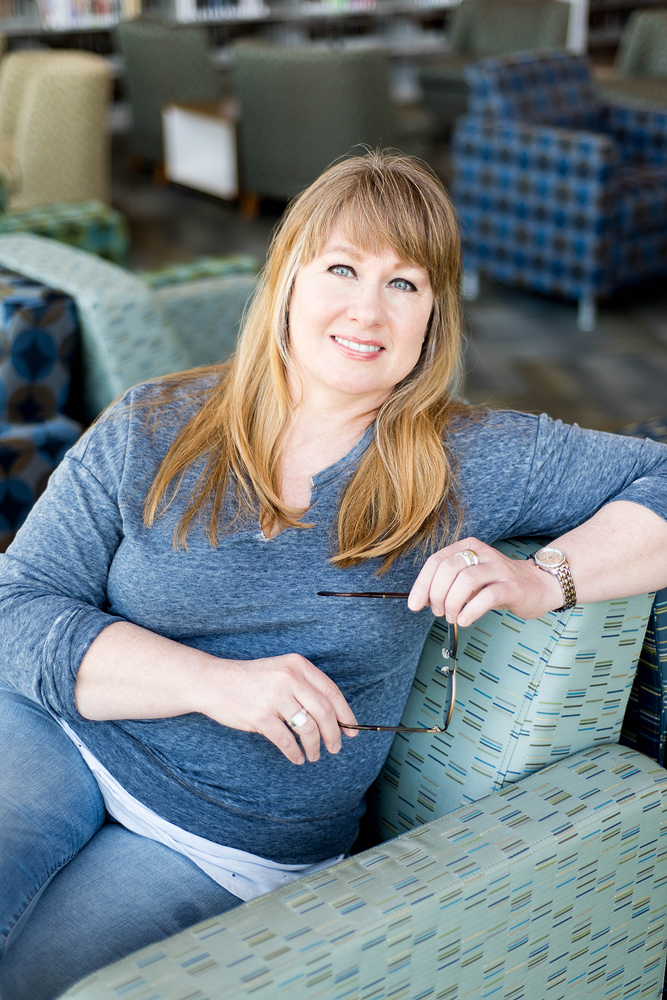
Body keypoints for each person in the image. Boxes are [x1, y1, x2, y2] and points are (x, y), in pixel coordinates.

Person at [1, 150, 667, 1000]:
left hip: (223, 836)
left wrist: (545, 579)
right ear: (286, 279)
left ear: (433, 316)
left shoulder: (474, 458)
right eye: (342, 268)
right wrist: (212, 683)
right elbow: (16, 605)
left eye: (405, 284)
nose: (368, 309)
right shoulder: (153, 423)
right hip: (59, 729)